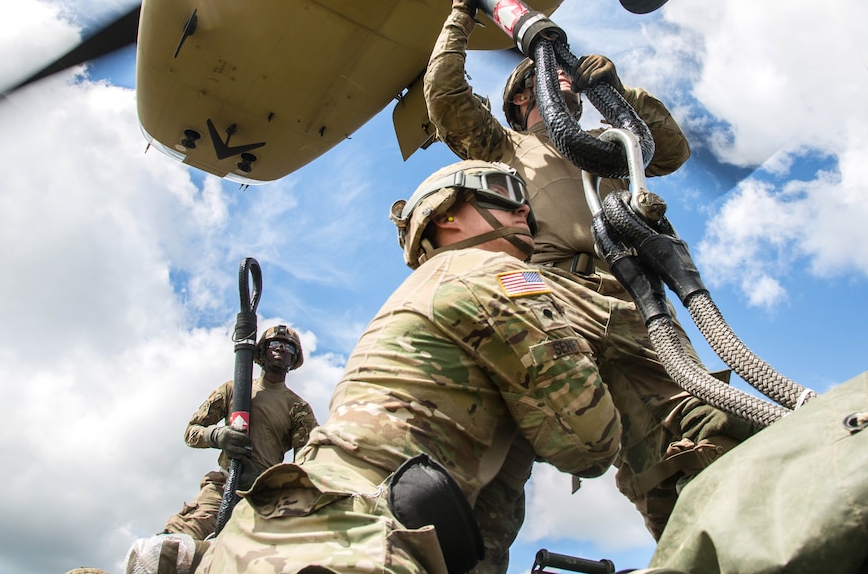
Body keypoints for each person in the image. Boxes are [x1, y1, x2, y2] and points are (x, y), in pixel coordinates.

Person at [425, 0, 755, 567]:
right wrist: (461, 9)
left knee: (688, 427)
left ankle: (733, 543)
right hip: (545, 293)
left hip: (632, 300)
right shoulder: (501, 146)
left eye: (572, 81)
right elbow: (444, 95)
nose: (568, 88)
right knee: (497, 439)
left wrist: (620, 94)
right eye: (554, 82)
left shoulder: (607, 148)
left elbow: (670, 151)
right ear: (525, 97)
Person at [198, 161, 624, 574]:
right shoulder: (489, 271)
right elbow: (590, 444)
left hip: (272, 532)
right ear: (446, 215)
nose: (524, 208)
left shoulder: (418, 288)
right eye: (503, 193)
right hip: (353, 540)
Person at [160, 324, 318, 541]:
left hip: (264, 497)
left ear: (294, 359)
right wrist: (218, 436)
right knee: (174, 542)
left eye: (288, 348)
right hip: (223, 485)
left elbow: (308, 464)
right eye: (274, 344)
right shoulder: (233, 389)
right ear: (262, 351)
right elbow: (191, 432)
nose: (280, 349)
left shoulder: (298, 408)